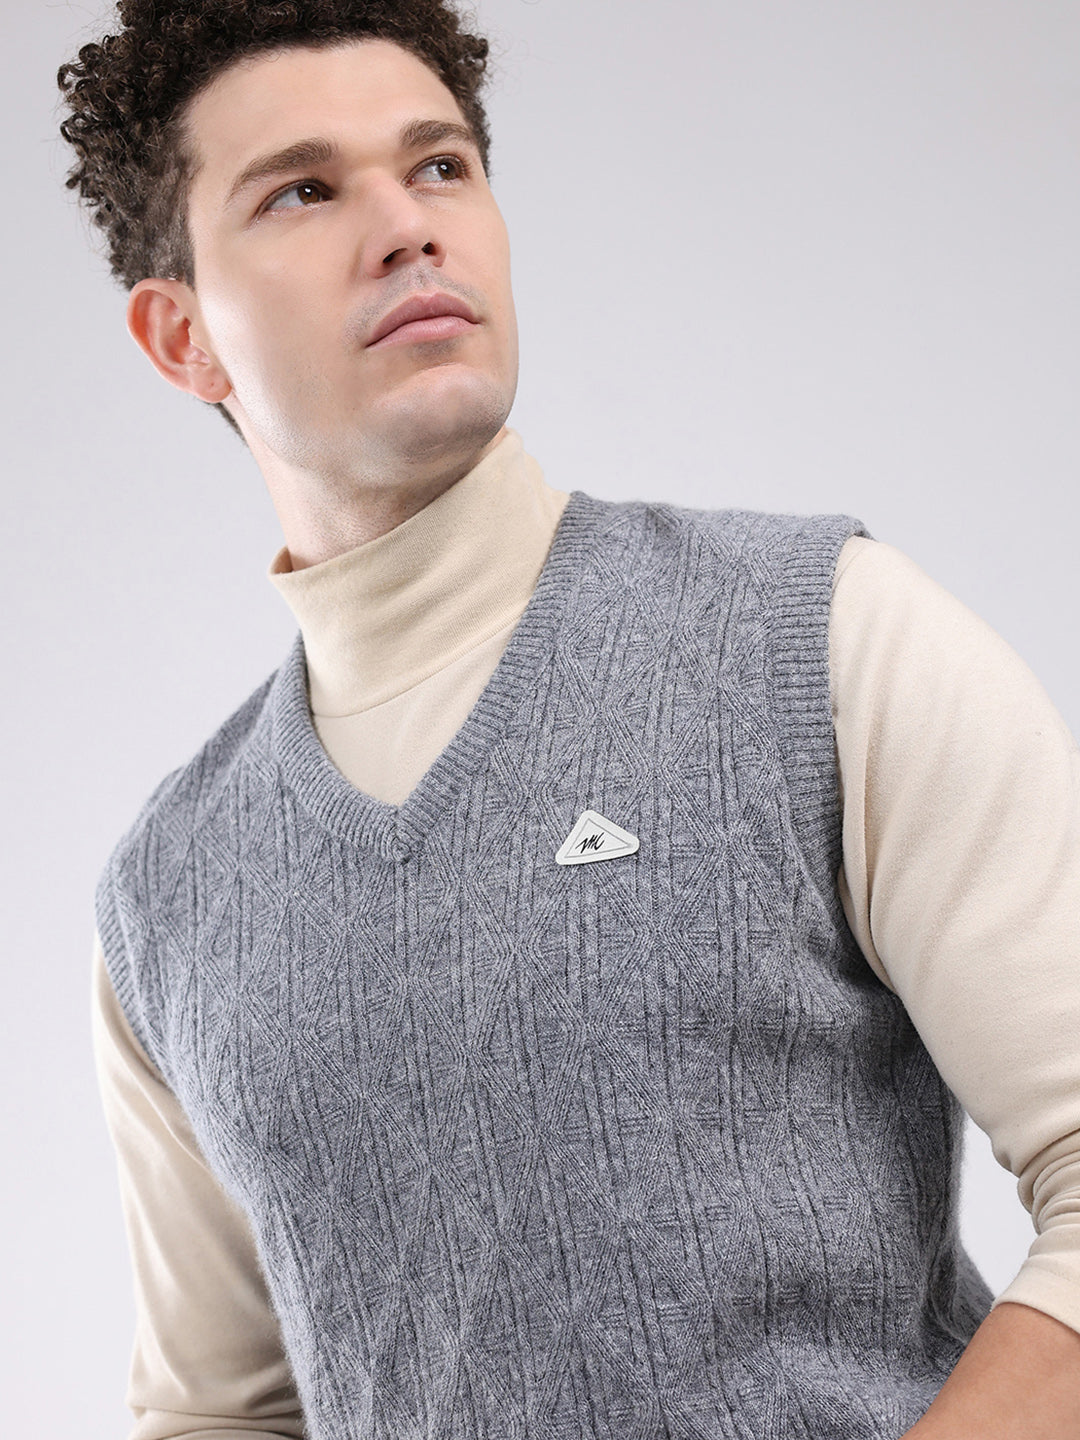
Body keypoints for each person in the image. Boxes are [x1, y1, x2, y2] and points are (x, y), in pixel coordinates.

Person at [58, 3, 1080, 1437]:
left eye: (439, 166)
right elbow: (217, 1412)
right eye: (303, 191)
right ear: (183, 338)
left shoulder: (821, 640)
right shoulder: (169, 898)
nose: (407, 228)